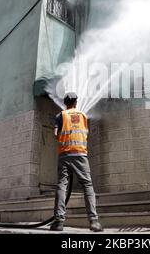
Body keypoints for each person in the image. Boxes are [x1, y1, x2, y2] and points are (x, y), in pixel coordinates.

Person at [50, 92, 103, 232]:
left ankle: (59, 222)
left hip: (65, 154)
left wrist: (62, 138)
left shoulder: (60, 115)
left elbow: (56, 134)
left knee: (62, 186)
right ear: (76, 102)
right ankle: (94, 222)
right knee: (87, 185)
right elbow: (85, 132)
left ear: (65, 103)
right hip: (80, 154)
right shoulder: (83, 115)